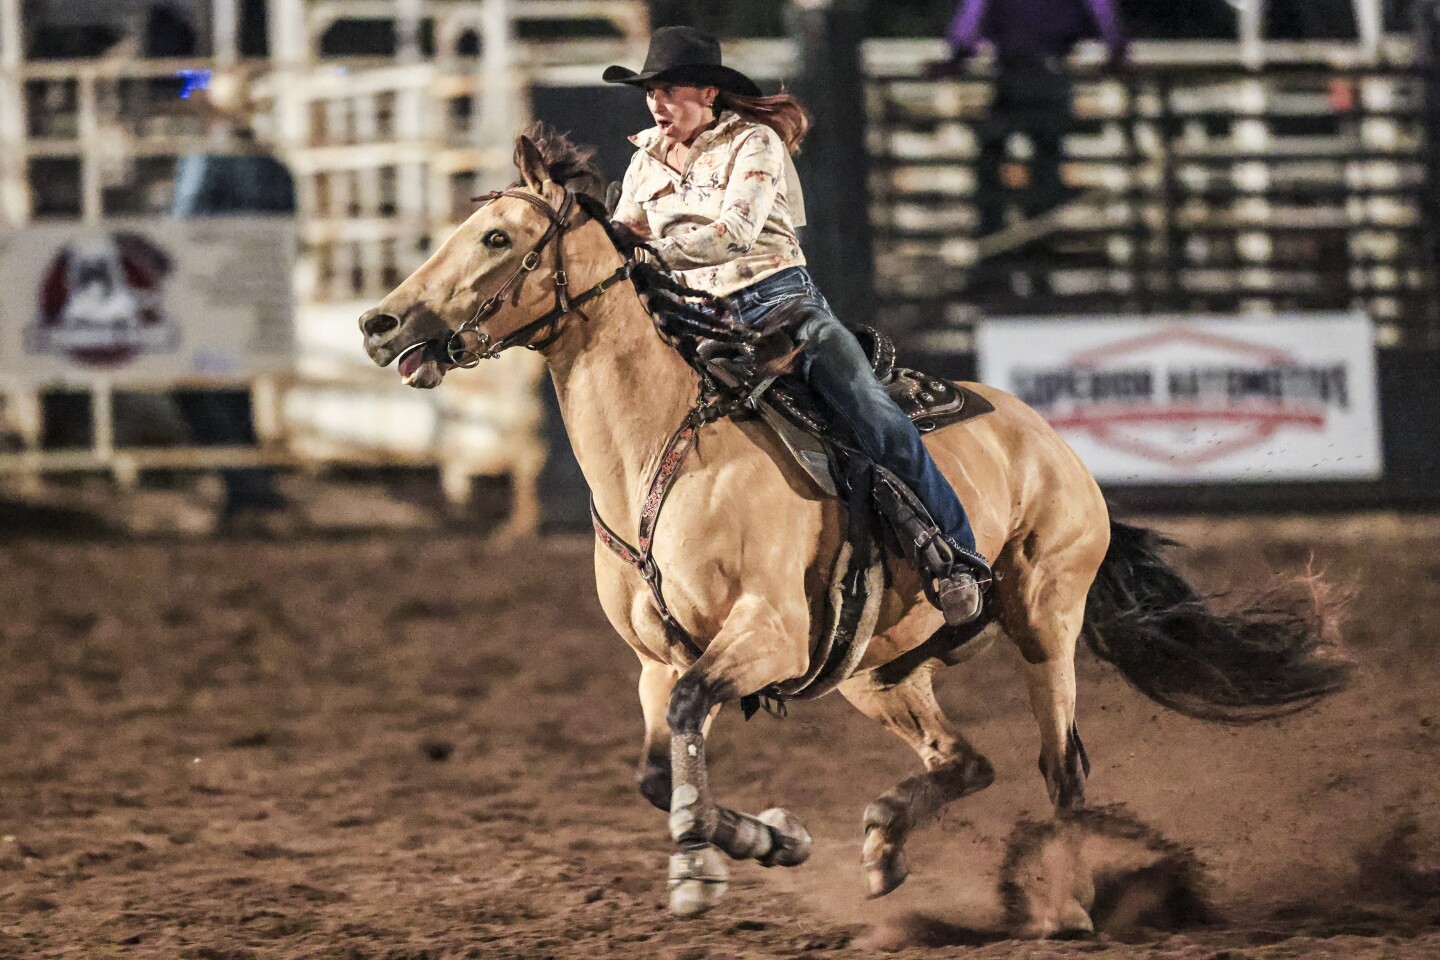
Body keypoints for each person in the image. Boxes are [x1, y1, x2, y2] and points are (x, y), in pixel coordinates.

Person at [604, 26, 989, 625]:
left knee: (872, 412)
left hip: (782, 309)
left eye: (670, 89)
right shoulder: (641, 164)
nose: (657, 101)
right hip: (693, 321)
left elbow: (736, 233)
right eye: (651, 89)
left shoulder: (753, 144)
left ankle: (958, 559)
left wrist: (649, 248)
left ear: (708, 93)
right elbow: (618, 239)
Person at [932, 0, 1128, 239]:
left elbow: (969, 23)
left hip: (1014, 74)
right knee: (1044, 160)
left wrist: (958, 58)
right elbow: (1103, 14)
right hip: (1047, 74)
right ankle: (1036, 237)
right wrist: (1116, 51)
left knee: (995, 154)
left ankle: (998, 233)